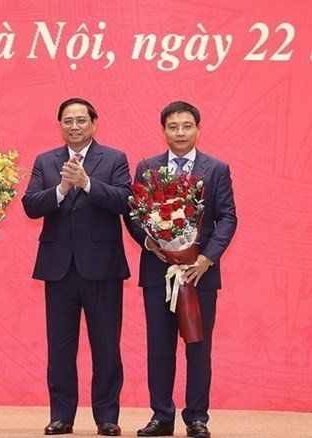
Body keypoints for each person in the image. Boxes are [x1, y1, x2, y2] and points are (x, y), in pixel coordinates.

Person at [126, 101, 237, 438]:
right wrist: (151, 244)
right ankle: (161, 416)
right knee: (159, 347)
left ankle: (197, 418)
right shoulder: (147, 168)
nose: (180, 132)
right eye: (173, 126)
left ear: (197, 129)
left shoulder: (216, 169)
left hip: (199, 275)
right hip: (158, 274)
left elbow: (228, 218)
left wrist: (206, 259)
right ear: (164, 131)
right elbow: (134, 215)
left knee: (198, 347)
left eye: (187, 126)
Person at [22, 97, 132, 436]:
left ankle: (107, 418)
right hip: (59, 269)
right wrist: (61, 188)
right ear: (60, 125)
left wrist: (86, 183)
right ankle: (61, 416)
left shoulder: (114, 158)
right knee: (60, 347)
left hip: (103, 268)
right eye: (67, 120)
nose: (74, 126)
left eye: (81, 120)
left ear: (94, 123)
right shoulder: (46, 161)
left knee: (106, 347)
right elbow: (30, 206)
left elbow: (125, 201)